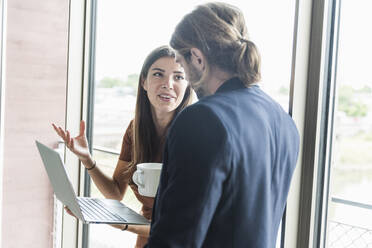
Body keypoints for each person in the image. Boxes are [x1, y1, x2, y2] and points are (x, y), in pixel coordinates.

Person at [145, 3, 300, 247]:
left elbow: (176, 239)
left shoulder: (203, 119)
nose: (185, 76)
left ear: (197, 58)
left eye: (182, 66)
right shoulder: (283, 121)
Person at [52, 45, 194, 248]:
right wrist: (87, 159)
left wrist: (125, 225)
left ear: (188, 85)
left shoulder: (193, 135)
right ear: (144, 82)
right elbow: (116, 192)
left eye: (178, 77)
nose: (168, 84)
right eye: (158, 74)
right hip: (148, 239)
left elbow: (182, 224)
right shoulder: (136, 129)